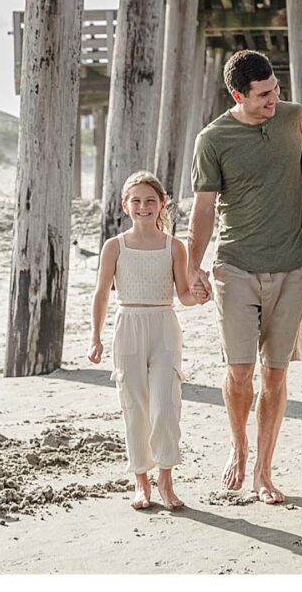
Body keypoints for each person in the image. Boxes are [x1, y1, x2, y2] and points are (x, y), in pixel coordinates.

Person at [187, 50, 302, 505]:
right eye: (263, 95)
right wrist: (191, 265)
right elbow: (203, 209)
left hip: (291, 266)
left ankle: (263, 471)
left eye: (276, 89)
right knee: (240, 372)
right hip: (235, 265)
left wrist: (291, 217)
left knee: (276, 375)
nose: (273, 100)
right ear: (237, 95)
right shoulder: (213, 138)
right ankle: (239, 447)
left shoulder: (295, 117)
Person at [88, 170, 208, 510]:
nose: (144, 207)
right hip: (128, 326)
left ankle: (166, 481)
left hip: (164, 325)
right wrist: (95, 337)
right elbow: (101, 295)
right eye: (136, 201)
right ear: (126, 205)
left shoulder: (174, 246)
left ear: (162, 204)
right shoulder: (115, 246)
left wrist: (197, 296)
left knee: (166, 406)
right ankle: (141, 481)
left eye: (150, 201)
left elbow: (182, 294)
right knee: (135, 407)